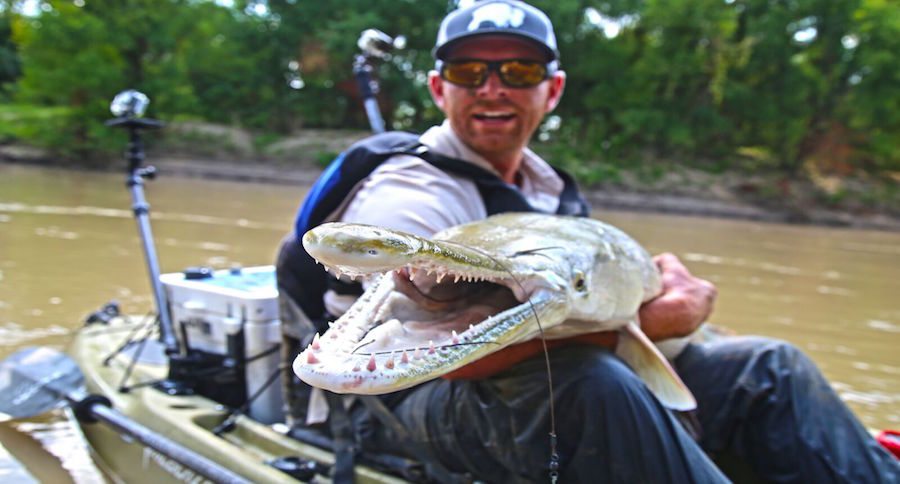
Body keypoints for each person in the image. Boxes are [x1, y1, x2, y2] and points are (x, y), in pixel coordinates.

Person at [276, 1, 900, 482]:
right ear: (440, 89)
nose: (493, 87)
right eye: (470, 70)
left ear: (553, 90)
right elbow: (435, 353)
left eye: (518, 71)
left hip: (523, 375)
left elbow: (579, 293)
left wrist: (660, 307)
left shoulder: (549, 189)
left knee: (768, 366)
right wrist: (652, 322)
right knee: (587, 383)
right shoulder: (410, 192)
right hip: (396, 404)